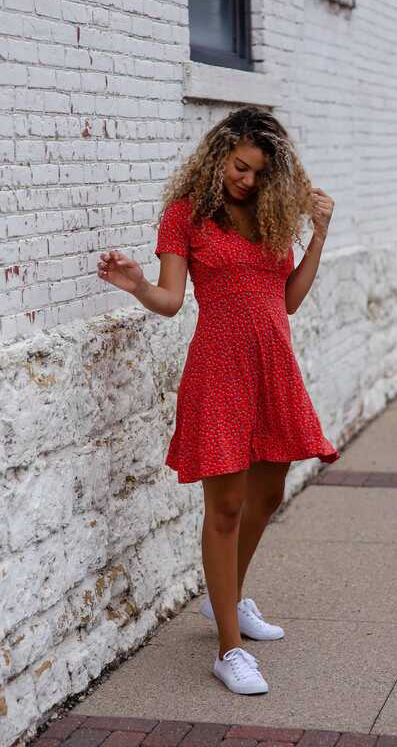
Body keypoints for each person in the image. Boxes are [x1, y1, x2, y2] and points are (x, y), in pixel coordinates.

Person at [97, 106, 340, 696]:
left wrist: (319, 236)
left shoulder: (272, 215)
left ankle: (225, 598)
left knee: (270, 491)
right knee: (226, 505)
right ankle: (229, 649)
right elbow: (172, 299)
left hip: (273, 368)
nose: (247, 181)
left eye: (258, 172)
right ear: (219, 154)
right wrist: (135, 284)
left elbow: (286, 302)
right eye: (239, 167)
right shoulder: (185, 216)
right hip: (220, 371)